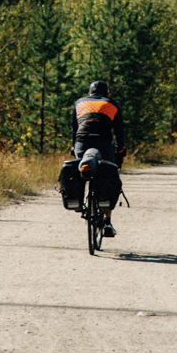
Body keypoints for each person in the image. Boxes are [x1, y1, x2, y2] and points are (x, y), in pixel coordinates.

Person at [71, 80, 126, 236]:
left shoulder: (79, 103)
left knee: (81, 171)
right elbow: (119, 131)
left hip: (81, 144)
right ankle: (107, 222)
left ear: (90, 93)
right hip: (103, 144)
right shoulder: (112, 104)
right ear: (106, 93)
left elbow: (74, 129)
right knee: (108, 175)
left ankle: (80, 203)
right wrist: (120, 149)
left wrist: (73, 147)